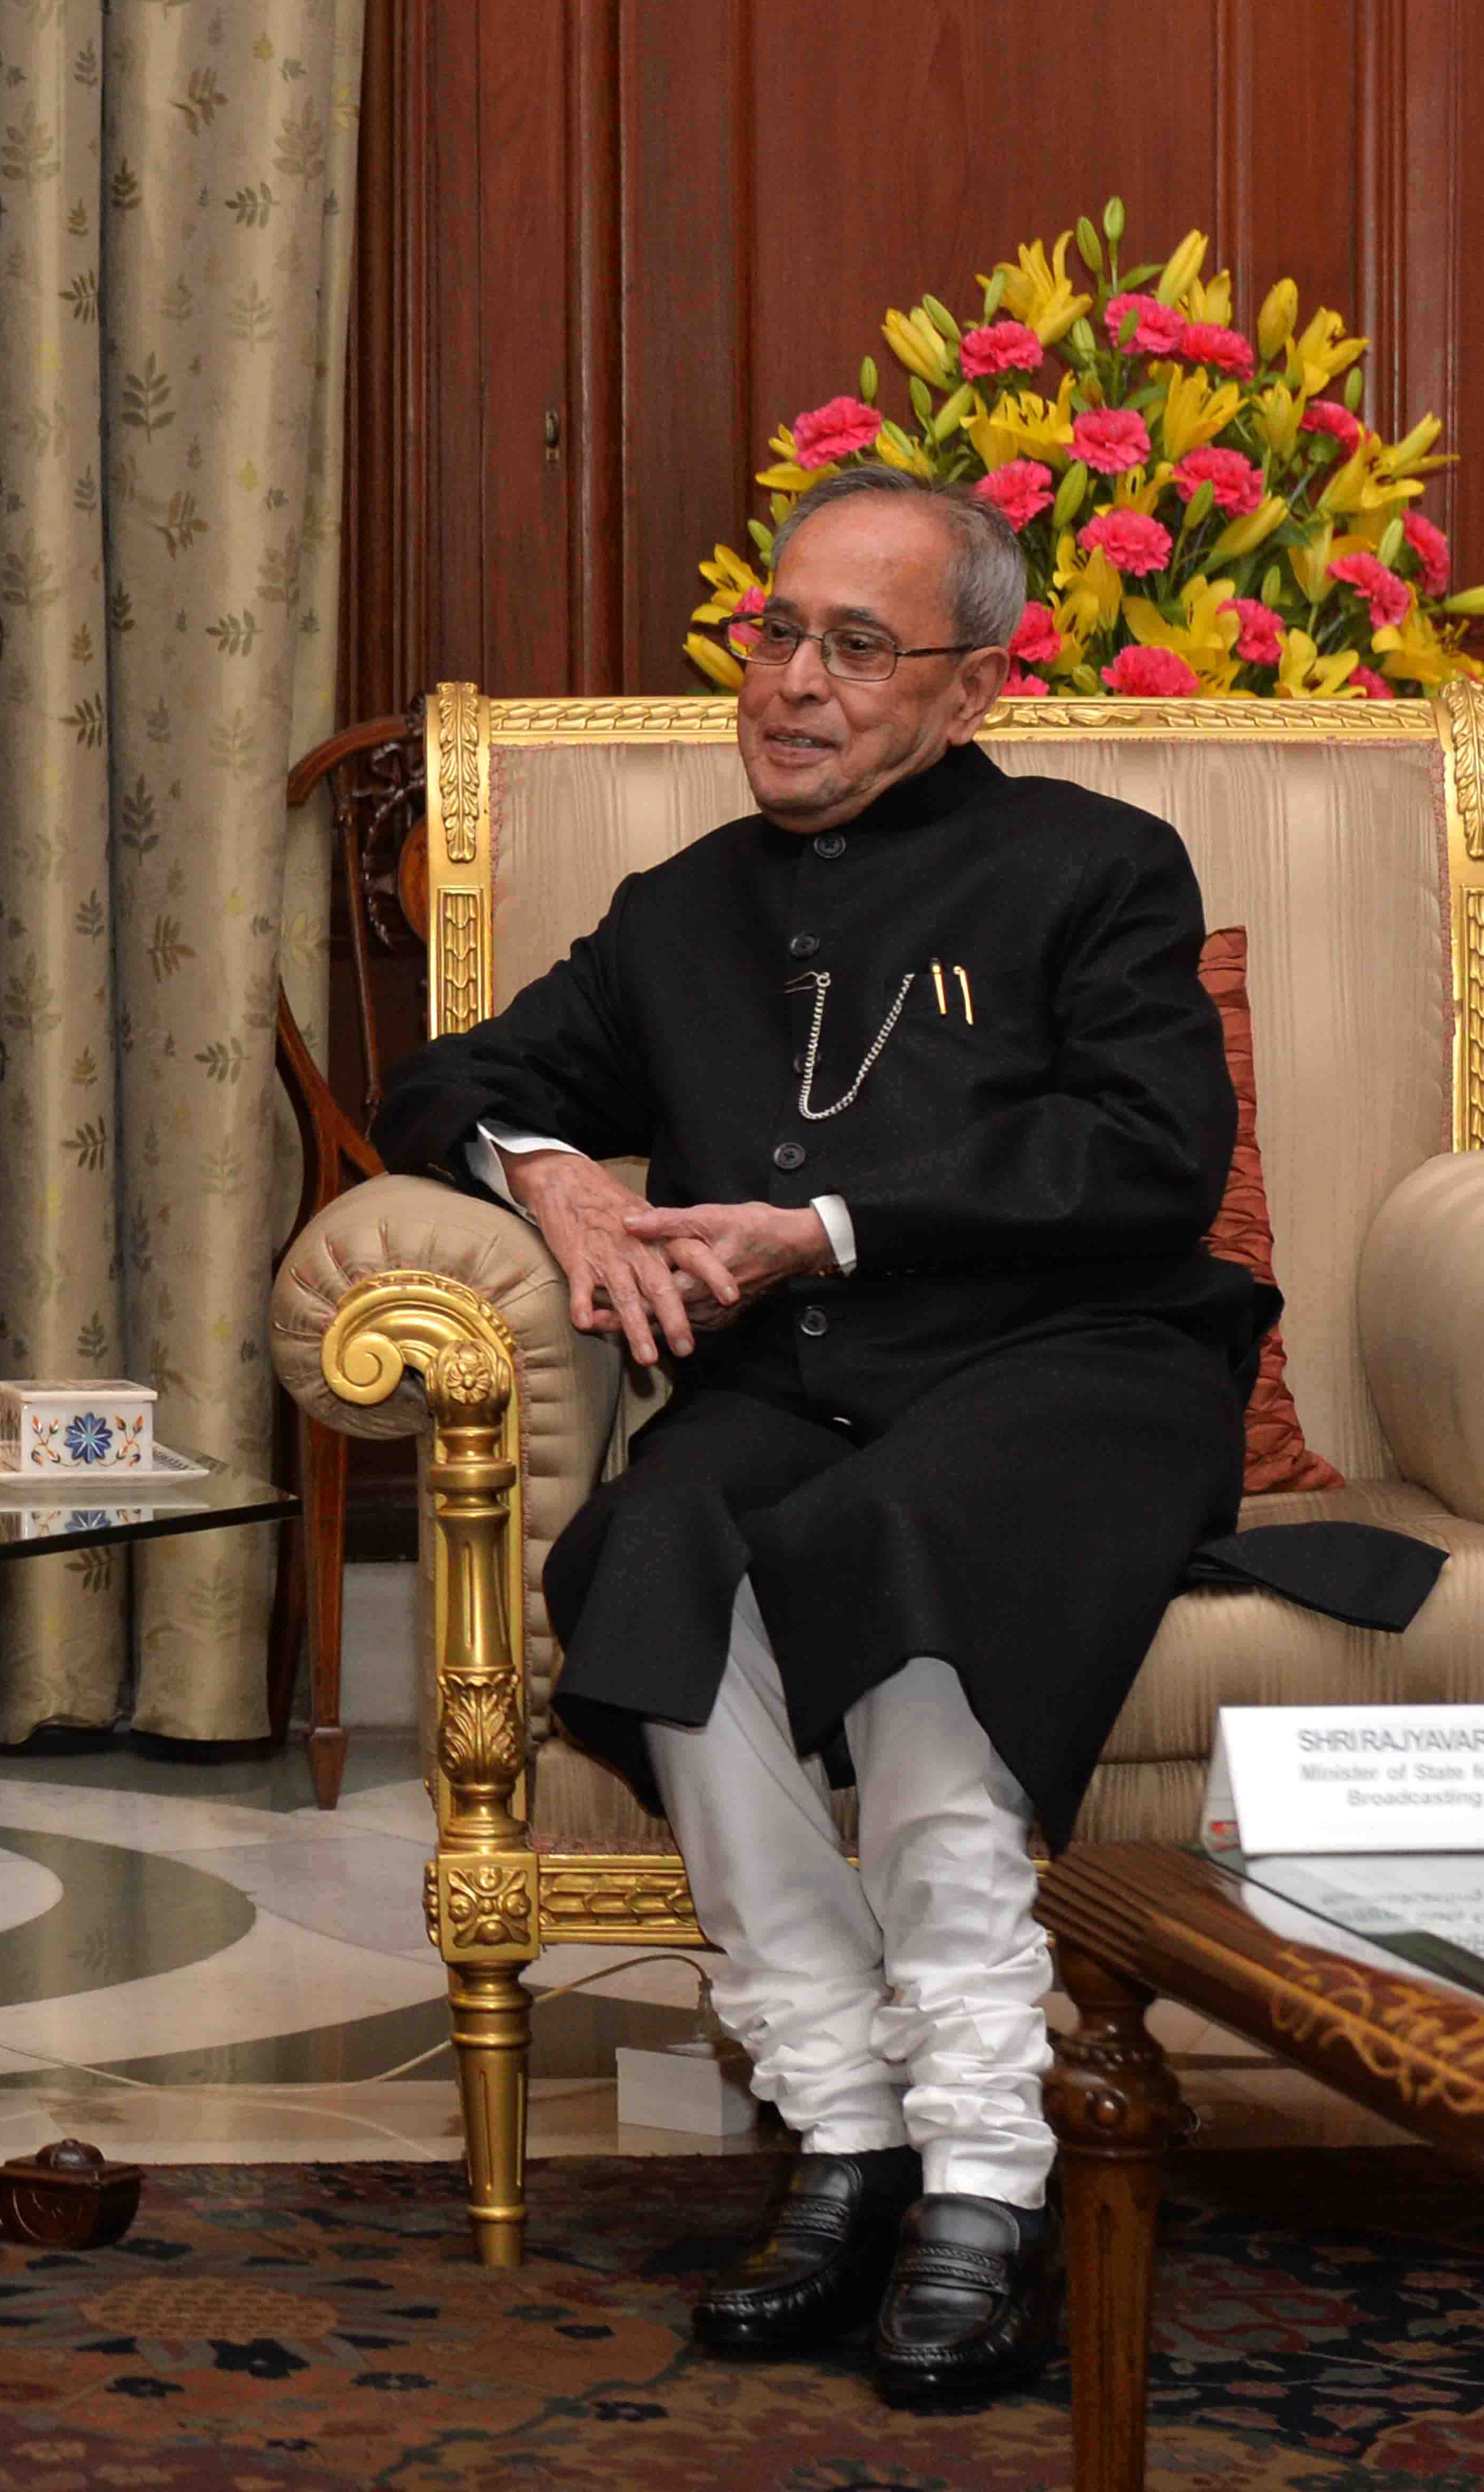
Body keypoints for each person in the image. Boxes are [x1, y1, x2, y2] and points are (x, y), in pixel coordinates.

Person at [375, 462, 1291, 2399]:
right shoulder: (682, 911)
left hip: (1084, 1362)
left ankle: (985, 2159)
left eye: (856, 646)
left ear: (970, 690)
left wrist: (827, 1227)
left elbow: (1153, 1154)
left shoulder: (1098, 863)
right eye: (773, 631)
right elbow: (456, 1074)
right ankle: (846, 2121)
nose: (790, 679)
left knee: (913, 1542)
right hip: (798, 1387)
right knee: (651, 1550)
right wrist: (554, 1182)